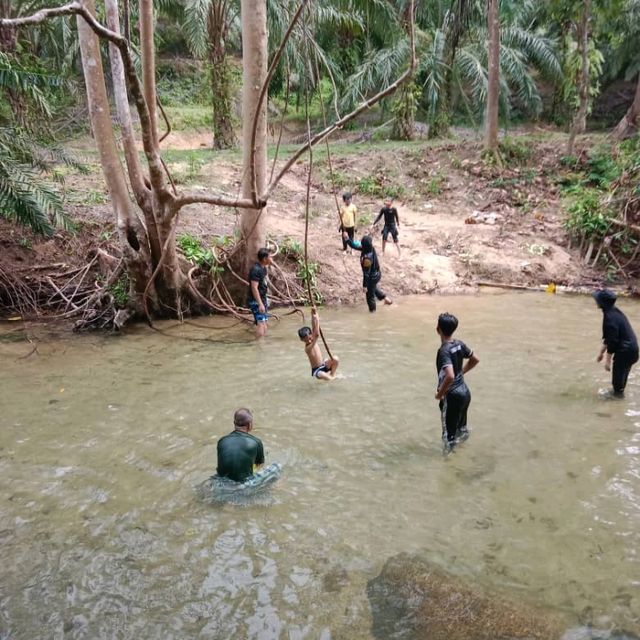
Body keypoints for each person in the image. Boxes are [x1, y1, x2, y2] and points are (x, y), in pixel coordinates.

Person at [434, 312, 479, 453]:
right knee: (462, 429)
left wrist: (440, 394)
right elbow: (475, 359)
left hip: (452, 396)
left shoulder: (443, 351)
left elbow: (450, 376)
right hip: (465, 393)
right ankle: (463, 453)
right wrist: (462, 372)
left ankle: (448, 463)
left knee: (448, 436)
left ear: (438, 329)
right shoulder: (459, 344)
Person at [593, 289, 639, 398]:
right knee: (621, 382)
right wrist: (601, 353)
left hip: (624, 352)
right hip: (633, 350)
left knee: (617, 386)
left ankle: (617, 403)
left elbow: (612, 341)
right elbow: (610, 338)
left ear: (602, 303)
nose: (595, 301)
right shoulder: (615, 312)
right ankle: (619, 398)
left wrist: (607, 361)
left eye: (597, 300)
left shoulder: (609, 318)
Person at [343, 233, 393, 312]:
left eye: (362, 243)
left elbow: (366, 274)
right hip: (376, 274)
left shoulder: (367, 259)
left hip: (372, 277)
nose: (360, 244)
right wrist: (347, 239)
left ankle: (373, 313)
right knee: (373, 288)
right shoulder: (370, 248)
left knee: (370, 296)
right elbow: (355, 246)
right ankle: (387, 299)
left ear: (364, 245)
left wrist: (364, 286)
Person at [216, 408, 266, 483]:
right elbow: (259, 465)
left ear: (234, 423)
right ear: (249, 424)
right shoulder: (256, 442)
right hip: (243, 485)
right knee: (277, 467)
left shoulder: (222, 441)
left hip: (221, 482)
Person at [298, 308, 340, 380]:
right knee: (326, 377)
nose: (309, 340)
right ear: (302, 340)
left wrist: (313, 314)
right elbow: (317, 334)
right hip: (317, 370)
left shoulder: (312, 338)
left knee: (335, 359)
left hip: (323, 364)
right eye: (306, 340)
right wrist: (317, 319)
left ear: (311, 335)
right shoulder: (308, 348)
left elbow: (314, 328)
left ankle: (332, 375)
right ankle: (333, 379)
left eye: (309, 338)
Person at [247, 247, 272, 338]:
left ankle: (263, 344)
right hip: (256, 301)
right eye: (270, 257)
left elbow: (263, 283)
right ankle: (258, 345)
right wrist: (260, 303)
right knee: (261, 323)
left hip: (262, 299)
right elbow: (254, 287)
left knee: (264, 321)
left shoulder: (263, 268)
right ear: (265, 259)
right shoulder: (255, 270)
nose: (271, 259)